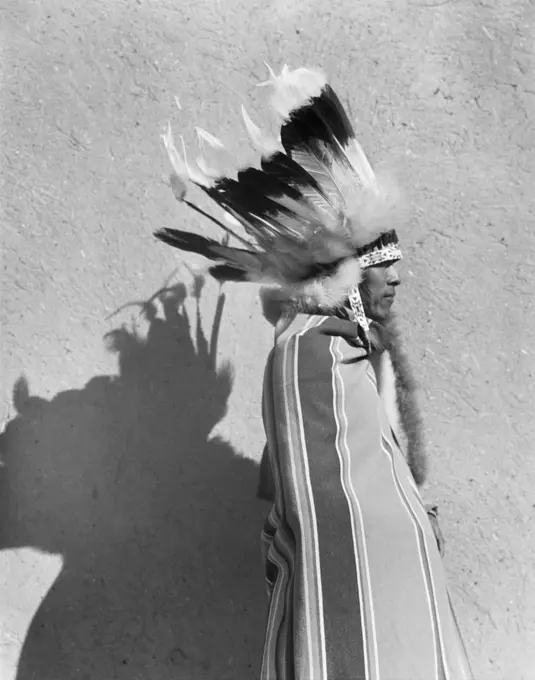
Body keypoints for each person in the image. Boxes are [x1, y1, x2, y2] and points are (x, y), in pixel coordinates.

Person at [154, 65, 473, 679]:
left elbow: (373, 459)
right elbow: (322, 495)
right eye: (385, 264)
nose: (399, 277)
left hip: (387, 578)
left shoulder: (348, 348)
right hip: (353, 583)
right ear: (348, 274)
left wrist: (411, 518)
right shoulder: (307, 352)